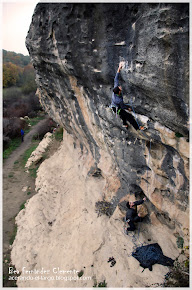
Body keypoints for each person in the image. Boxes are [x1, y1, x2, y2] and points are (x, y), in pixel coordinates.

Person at [111, 62, 145, 130]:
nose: (120, 87)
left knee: (123, 115)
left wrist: (119, 68)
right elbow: (123, 106)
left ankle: (124, 124)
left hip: (115, 106)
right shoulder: (118, 100)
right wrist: (128, 108)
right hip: (117, 108)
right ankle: (138, 127)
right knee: (128, 116)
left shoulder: (116, 87)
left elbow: (116, 79)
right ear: (119, 92)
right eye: (120, 88)